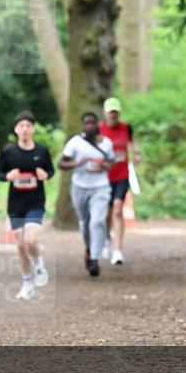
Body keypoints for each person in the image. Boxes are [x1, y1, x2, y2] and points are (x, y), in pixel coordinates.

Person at [0, 111, 55, 300]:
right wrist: (8, 176)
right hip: (16, 205)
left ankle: (38, 264)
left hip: (35, 202)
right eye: (21, 126)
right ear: (16, 129)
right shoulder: (9, 152)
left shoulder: (41, 151)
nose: (25, 129)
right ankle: (27, 283)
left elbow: (50, 170)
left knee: (31, 241)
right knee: (21, 246)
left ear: (33, 129)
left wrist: (46, 175)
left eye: (28, 126)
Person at [57, 112, 114, 277]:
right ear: (82, 125)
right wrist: (77, 163)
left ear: (97, 124)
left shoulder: (106, 143)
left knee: (97, 221)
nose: (89, 126)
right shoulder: (75, 142)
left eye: (92, 123)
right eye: (86, 123)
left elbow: (111, 162)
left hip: (100, 186)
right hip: (80, 187)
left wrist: (105, 165)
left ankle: (95, 258)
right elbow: (61, 163)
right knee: (85, 222)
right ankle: (89, 249)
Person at [99, 97, 141, 265]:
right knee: (106, 214)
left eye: (116, 112)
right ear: (105, 113)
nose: (113, 115)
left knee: (117, 210)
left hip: (122, 175)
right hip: (104, 177)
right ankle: (106, 240)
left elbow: (132, 142)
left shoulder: (126, 128)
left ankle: (117, 251)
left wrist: (136, 153)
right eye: (111, 112)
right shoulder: (99, 130)